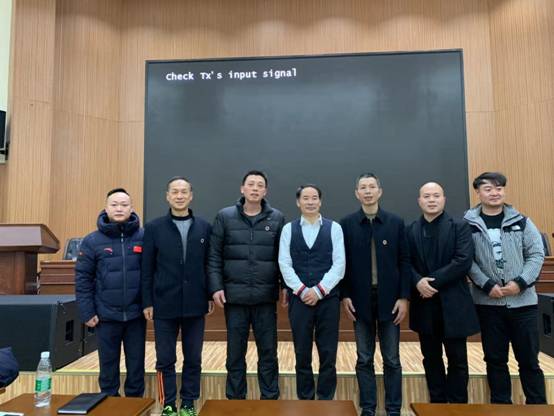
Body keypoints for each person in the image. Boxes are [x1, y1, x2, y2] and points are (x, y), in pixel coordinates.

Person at [464, 172, 546, 404]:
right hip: (488, 304)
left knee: (529, 361)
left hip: (524, 304)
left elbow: (536, 254)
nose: (494, 193)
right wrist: (486, 284)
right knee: (495, 360)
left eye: (499, 188)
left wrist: (519, 283)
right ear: (478, 192)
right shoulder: (467, 225)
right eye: (488, 189)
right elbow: (466, 259)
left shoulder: (522, 221)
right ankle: (501, 407)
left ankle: (537, 408)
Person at [208, 170, 285, 400]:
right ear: (242, 189)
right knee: (235, 355)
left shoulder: (277, 218)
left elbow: (284, 257)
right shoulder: (225, 216)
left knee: (268, 353)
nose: (255, 188)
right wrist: (216, 287)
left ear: (265, 191)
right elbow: (214, 255)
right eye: (251, 184)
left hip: (265, 297)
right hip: (235, 298)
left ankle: (270, 400)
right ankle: (235, 401)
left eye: (260, 185)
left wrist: (285, 288)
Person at [340, 173, 411, 416]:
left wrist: (404, 297)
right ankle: (368, 408)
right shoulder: (347, 224)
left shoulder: (395, 222)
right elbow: (343, 264)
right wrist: (345, 295)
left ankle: (393, 409)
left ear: (380, 191)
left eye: (372, 187)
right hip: (360, 301)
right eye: (363, 187)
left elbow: (404, 261)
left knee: (392, 358)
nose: (368, 191)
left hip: (390, 301)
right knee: (364, 358)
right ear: (356, 193)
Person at [142, 176, 213, 416]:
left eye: (184, 192)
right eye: (175, 192)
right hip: (164, 303)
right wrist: (147, 301)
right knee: (165, 358)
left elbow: (208, 265)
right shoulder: (154, 228)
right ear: (167, 196)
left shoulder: (204, 227)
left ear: (191, 196)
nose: (179, 196)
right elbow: (147, 268)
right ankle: (169, 403)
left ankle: (189, 402)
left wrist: (209, 295)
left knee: (193, 357)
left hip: (195, 302)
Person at [407, 182, 479, 403]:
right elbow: (404, 262)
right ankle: (436, 405)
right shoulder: (410, 229)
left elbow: (463, 261)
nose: (432, 200)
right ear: (419, 201)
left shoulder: (460, 226)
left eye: (436, 195)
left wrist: (430, 283)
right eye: (427, 196)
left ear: (444, 199)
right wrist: (417, 281)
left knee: (457, 360)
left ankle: (458, 407)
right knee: (431, 359)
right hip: (424, 305)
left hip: (453, 304)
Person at [75, 188, 145, 397]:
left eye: (124, 205)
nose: (119, 208)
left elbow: (153, 274)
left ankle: (136, 405)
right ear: (106, 208)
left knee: (136, 367)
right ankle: (109, 403)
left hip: (136, 314)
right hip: (105, 315)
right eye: (114, 205)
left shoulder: (144, 236)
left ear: (131, 208)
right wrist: (87, 311)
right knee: (107, 368)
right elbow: (83, 279)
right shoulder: (92, 241)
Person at [278, 184, 345, 400]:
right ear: (298, 202)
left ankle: (325, 399)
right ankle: (305, 399)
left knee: (328, 352)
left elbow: (339, 265)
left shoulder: (334, 228)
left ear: (320, 201)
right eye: (305, 198)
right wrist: (301, 290)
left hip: (328, 299)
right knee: (301, 352)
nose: (310, 202)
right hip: (299, 300)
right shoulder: (288, 229)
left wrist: (318, 291)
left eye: (314, 198)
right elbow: (284, 264)